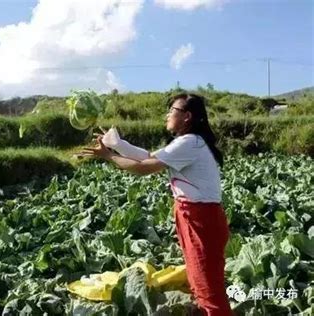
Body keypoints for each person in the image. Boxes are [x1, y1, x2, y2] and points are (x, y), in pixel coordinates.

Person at [80, 93, 232, 316]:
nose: (168, 114)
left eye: (172, 110)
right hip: (194, 215)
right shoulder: (187, 142)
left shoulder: (190, 142)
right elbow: (148, 156)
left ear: (187, 116)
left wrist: (108, 156)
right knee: (200, 283)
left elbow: (144, 168)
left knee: (209, 290)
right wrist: (118, 144)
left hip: (201, 218)